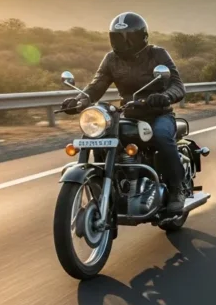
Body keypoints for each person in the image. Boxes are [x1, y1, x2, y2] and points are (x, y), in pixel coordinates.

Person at [61, 12, 188, 213]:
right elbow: (97, 85)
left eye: (129, 37)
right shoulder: (111, 59)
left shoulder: (157, 54)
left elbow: (177, 85)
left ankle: (176, 189)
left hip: (158, 113)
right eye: (118, 37)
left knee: (162, 137)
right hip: (128, 113)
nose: (124, 43)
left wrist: (164, 97)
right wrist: (78, 101)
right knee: (99, 137)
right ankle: (106, 189)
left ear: (142, 36)